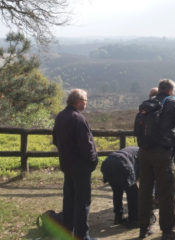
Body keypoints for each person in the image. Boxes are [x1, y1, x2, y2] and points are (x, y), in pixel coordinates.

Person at [137, 79, 175, 240]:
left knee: (145, 191)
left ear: (159, 89)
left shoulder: (148, 103)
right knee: (166, 193)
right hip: (163, 154)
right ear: (171, 90)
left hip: (144, 152)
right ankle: (167, 231)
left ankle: (143, 228)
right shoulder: (174, 102)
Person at [53, 89, 98, 240]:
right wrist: (93, 161)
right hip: (80, 166)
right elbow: (87, 145)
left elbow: (55, 140)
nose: (86, 103)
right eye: (85, 100)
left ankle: (67, 231)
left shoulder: (60, 116)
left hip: (67, 164)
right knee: (83, 201)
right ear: (78, 102)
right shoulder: (78, 118)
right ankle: (82, 235)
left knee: (69, 199)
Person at [101, 146, 141, 226]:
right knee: (132, 193)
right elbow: (139, 175)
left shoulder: (134, 150)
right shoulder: (142, 153)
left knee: (117, 191)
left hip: (107, 163)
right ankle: (134, 219)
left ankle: (118, 217)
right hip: (122, 163)